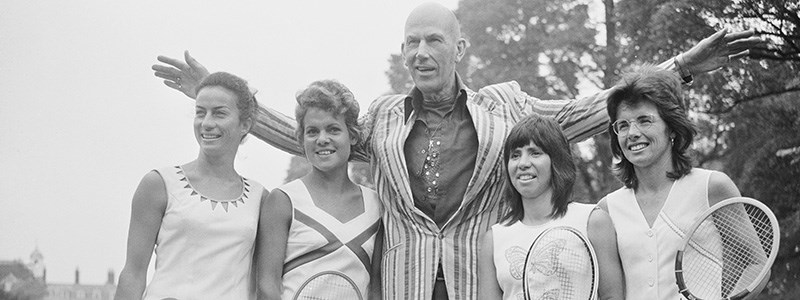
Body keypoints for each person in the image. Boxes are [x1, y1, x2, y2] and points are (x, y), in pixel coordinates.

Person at [151, 4, 759, 299]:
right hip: (404, 284)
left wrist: (676, 70)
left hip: (482, 282)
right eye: (410, 40)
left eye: (432, 39)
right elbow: (313, 138)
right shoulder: (386, 116)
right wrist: (234, 104)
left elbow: (579, 113)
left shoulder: (505, 105)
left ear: (459, 48)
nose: (419, 51)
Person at [587, 65, 750, 300]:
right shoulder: (607, 210)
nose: (632, 133)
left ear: (671, 128)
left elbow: (754, 264)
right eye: (623, 125)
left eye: (644, 121)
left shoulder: (711, 187)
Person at [115, 72, 266, 300]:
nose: (206, 123)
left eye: (219, 113)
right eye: (200, 112)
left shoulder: (260, 198)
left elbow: (261, 283)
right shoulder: (159, 184)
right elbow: (133, 274)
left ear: (245, 125)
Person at [256, 80, 383, 300]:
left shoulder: (377, 206)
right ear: (301, 139)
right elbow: (268, 284)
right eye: (312, 132)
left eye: (333, 129)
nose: (322, 139)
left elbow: (376, 289)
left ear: (352, 136)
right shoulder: (284, 200)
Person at [477, 115, 604, 300]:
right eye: (515, 155)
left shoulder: (593, 221)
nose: (523, 163)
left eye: (535, 153)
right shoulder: (494, 239)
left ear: (557, 160)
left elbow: (612, 295)